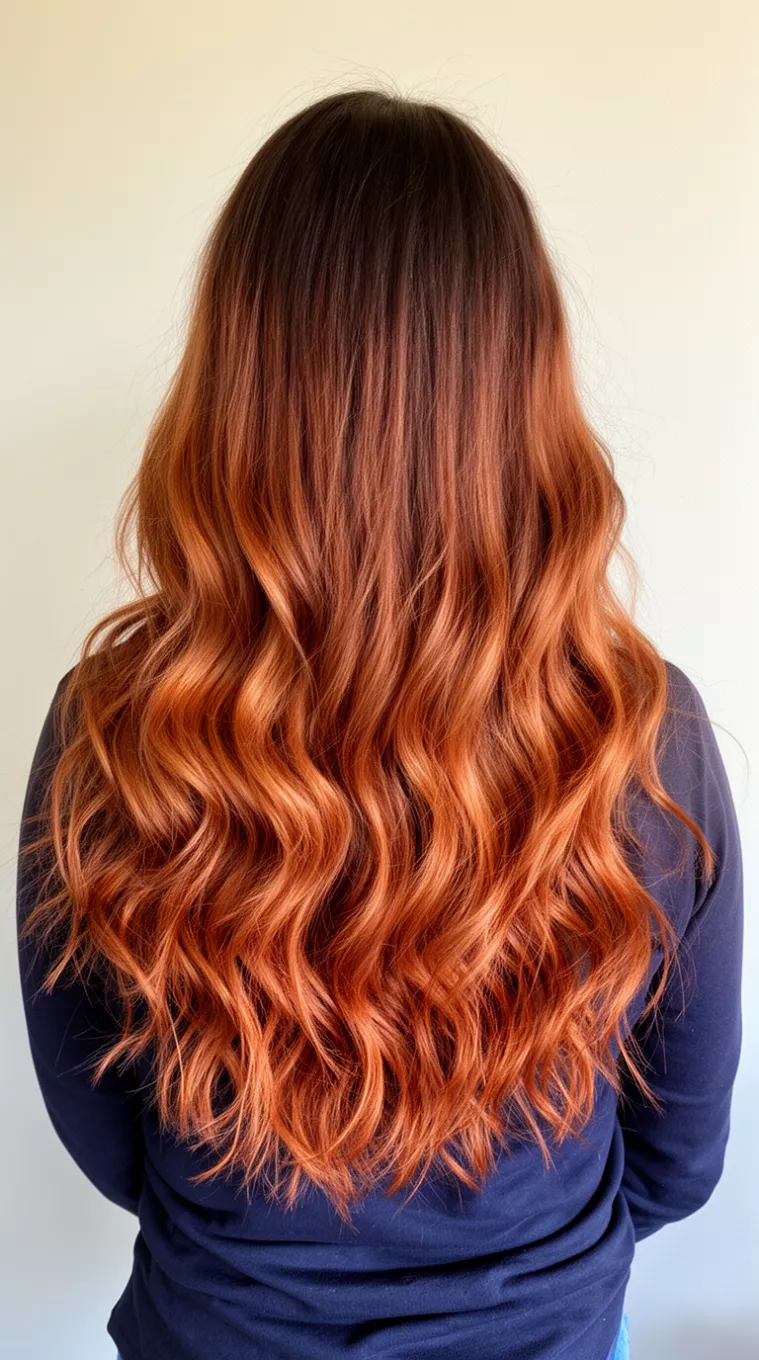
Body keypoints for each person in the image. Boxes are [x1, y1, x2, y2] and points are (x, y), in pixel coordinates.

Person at [16, 87, 743, 1360]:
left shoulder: (112, 732)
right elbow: (679, 1156)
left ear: (238, 384)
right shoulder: (643, 736)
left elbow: (106, 1133)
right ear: (522, 390)